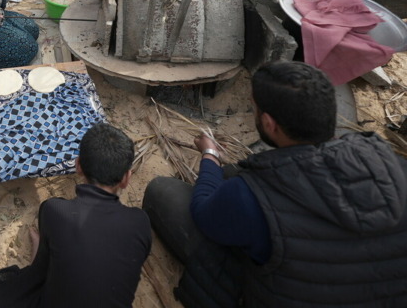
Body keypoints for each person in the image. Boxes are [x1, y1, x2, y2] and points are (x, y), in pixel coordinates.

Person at [143, 61, 407, 307]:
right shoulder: (390, 163)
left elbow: (202, 212)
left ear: (269, 123)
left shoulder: (250, 195)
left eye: (254, 108)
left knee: (161, 192)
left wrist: (210, 156)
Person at [0, 122, 152, 308]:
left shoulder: (56, 211)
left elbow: (39, 275)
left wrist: (44, 249)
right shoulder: (141, 223)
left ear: (78, 166)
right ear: (126, 178)